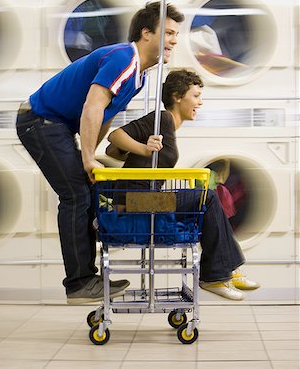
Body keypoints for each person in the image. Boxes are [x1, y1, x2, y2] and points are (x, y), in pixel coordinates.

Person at [16, 1, 185, 305]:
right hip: (40, 121)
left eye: (176, 34)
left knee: (88, 191)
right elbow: (92, 106)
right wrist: (87, 158)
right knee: (76, 196)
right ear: (146, 33)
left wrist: (91, 155)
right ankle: (79, 283)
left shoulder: (139, 76)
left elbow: (105, 117)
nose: (174, 40)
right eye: (169, 32)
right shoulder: (124, 59)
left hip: (57, 126)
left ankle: (87, 275)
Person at [106, 69, 259, 300]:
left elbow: (113, 152)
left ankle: (225, 270)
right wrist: (144, 148)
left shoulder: (167, 126)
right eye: (195, 96)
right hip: (135, 202)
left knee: (206, 200)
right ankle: (217, 274)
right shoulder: (163, 118)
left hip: (141, 200)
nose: (200, 102)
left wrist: (141, 148)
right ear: (177, 96)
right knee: (206, 197)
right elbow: (114, 136)